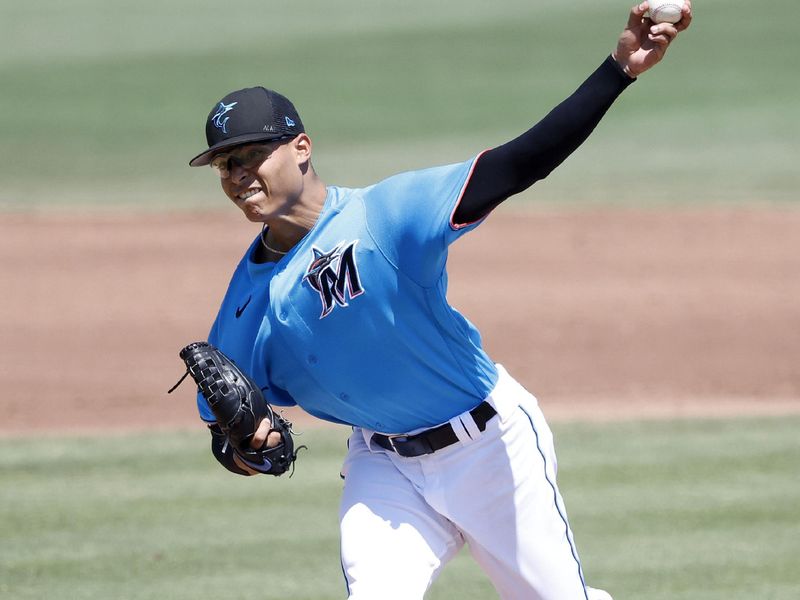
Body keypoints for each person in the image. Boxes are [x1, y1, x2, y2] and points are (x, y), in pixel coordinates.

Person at [186, 3, 691, 599]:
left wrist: (618, 70)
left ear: (301, 147)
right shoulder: (245, 300)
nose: (236, 175)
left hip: (491, 447)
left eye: (249, 156)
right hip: (386, 467)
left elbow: (519, 163)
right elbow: (233, 431)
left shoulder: (387, 214)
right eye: (224, 165)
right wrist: (248, 448)